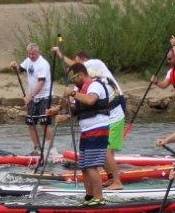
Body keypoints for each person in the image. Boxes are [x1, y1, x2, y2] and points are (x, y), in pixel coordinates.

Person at [53, 47, 127, 188]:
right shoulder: (84, 84)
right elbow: (74, 100)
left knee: (106, 150)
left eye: (76, 63)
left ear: (81, 61)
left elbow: (76, 74)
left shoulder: (95, 63)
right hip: (104, 115)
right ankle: (111, 179)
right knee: (103, 150)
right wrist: (57, 109)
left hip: (115, 112)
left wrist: (60, 54)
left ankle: (117, 182)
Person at [52, 62, 113, 204]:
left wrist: (72, 93)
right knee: (84, 166)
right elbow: (75, 109)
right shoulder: (81, 89)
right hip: (86, 131)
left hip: (98, 129)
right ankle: (89, 196)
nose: (74, 83)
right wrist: (62, 108)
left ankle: (99, 198)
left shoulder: (95, 85)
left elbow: (91, 101)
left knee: (91, 165)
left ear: (80, 74)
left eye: (74, 79)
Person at [10, 44, 52, 156]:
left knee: (44, 123)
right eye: (29, 54)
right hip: (33, 96)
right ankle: (37, 149)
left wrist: (30, 96)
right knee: (31, 123)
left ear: (38, 52)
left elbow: (41, 82)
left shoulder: (43, 64)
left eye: (33, 54)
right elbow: (19, 71)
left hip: (44, 96)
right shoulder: (28, 60)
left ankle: (50, 149)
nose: (31, 56)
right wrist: (15, 67)